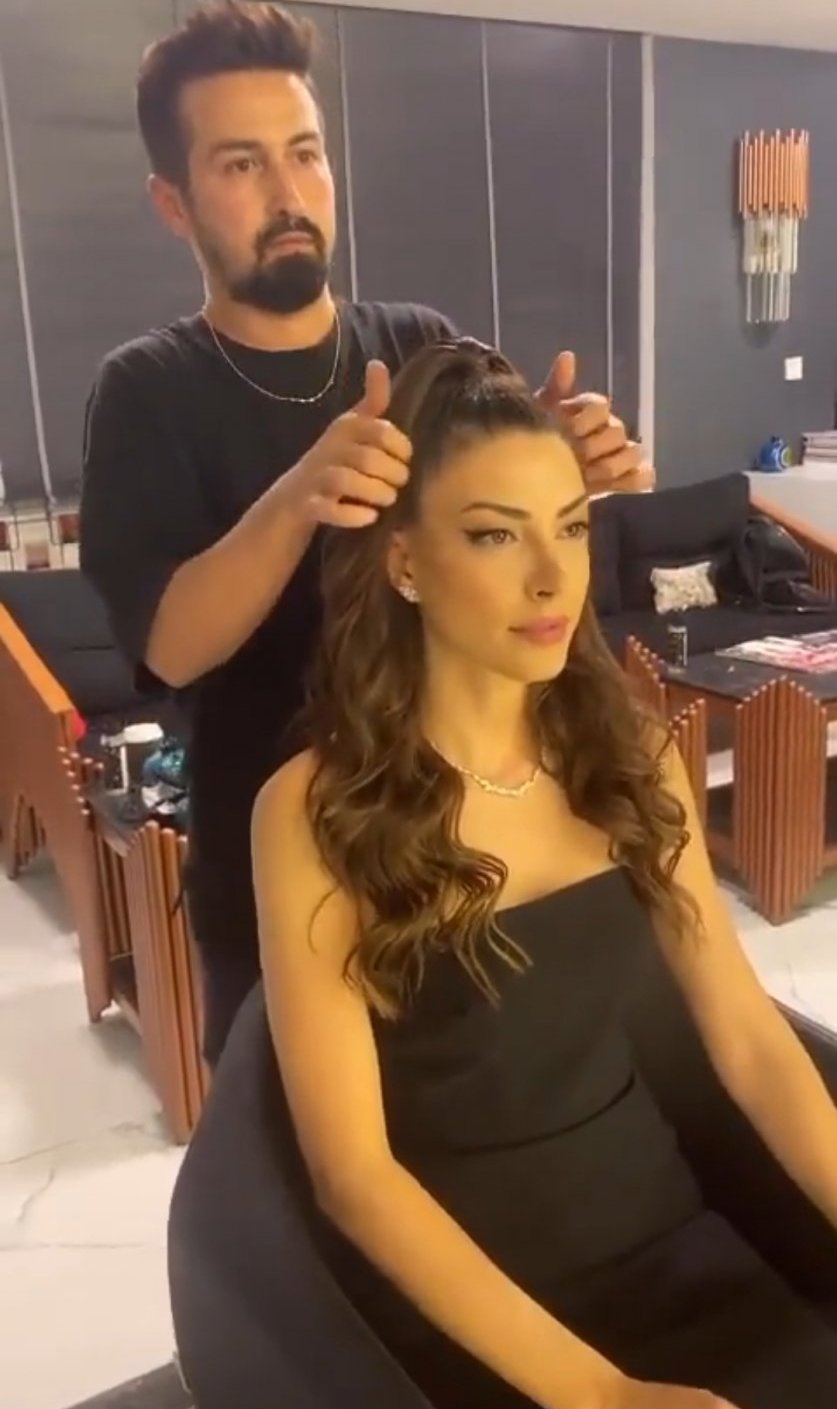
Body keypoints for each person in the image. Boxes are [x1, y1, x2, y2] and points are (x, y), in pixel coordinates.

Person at [247, 339, 837, 1409]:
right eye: (494, 533)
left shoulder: (631, 752)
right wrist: (601, 1393)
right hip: (475, 1306)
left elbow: (751, 1044)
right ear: (404, 562)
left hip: (670, 1237)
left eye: (569, 526)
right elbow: (354, 1176)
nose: (552, 576)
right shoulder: (312, 812)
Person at [79, 0, 651, 1066]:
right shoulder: (147, 390)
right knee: (301, 1155)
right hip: (273, 880)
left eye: (304, 153)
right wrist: (300, 493)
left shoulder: (417, 343)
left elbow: (491, 558)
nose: (287, 192)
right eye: (242, 164)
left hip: (455, 851)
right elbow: (171, 646)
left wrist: (562, 464)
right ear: (173, 201)